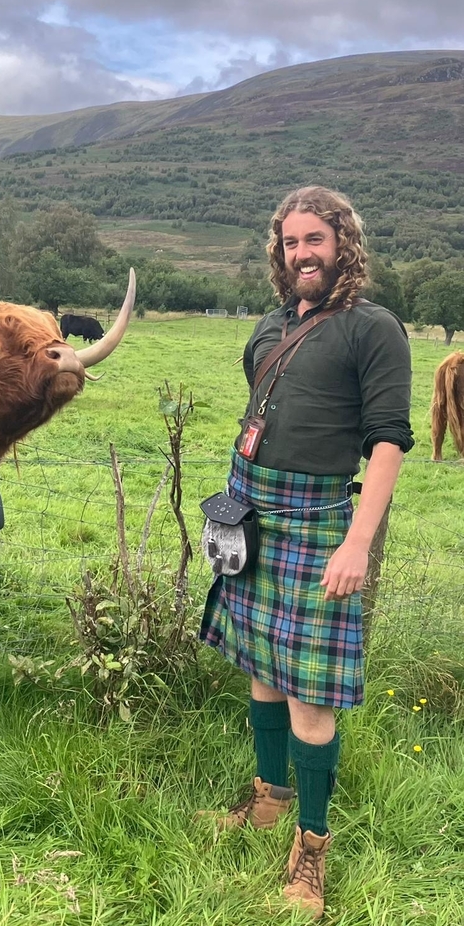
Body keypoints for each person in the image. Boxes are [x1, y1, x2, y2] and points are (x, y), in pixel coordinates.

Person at [199, 186, 414, 919]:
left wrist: (357, 542)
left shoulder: (374, 328)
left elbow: (387, 441)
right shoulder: (268, 326)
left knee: (310, 694)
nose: (302, 254)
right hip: (251, 509)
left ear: (343, 243)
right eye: (291, 243)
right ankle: (267, 798)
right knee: (260, 667)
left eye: (314, 240)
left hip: (319, 523)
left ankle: (311, 849)